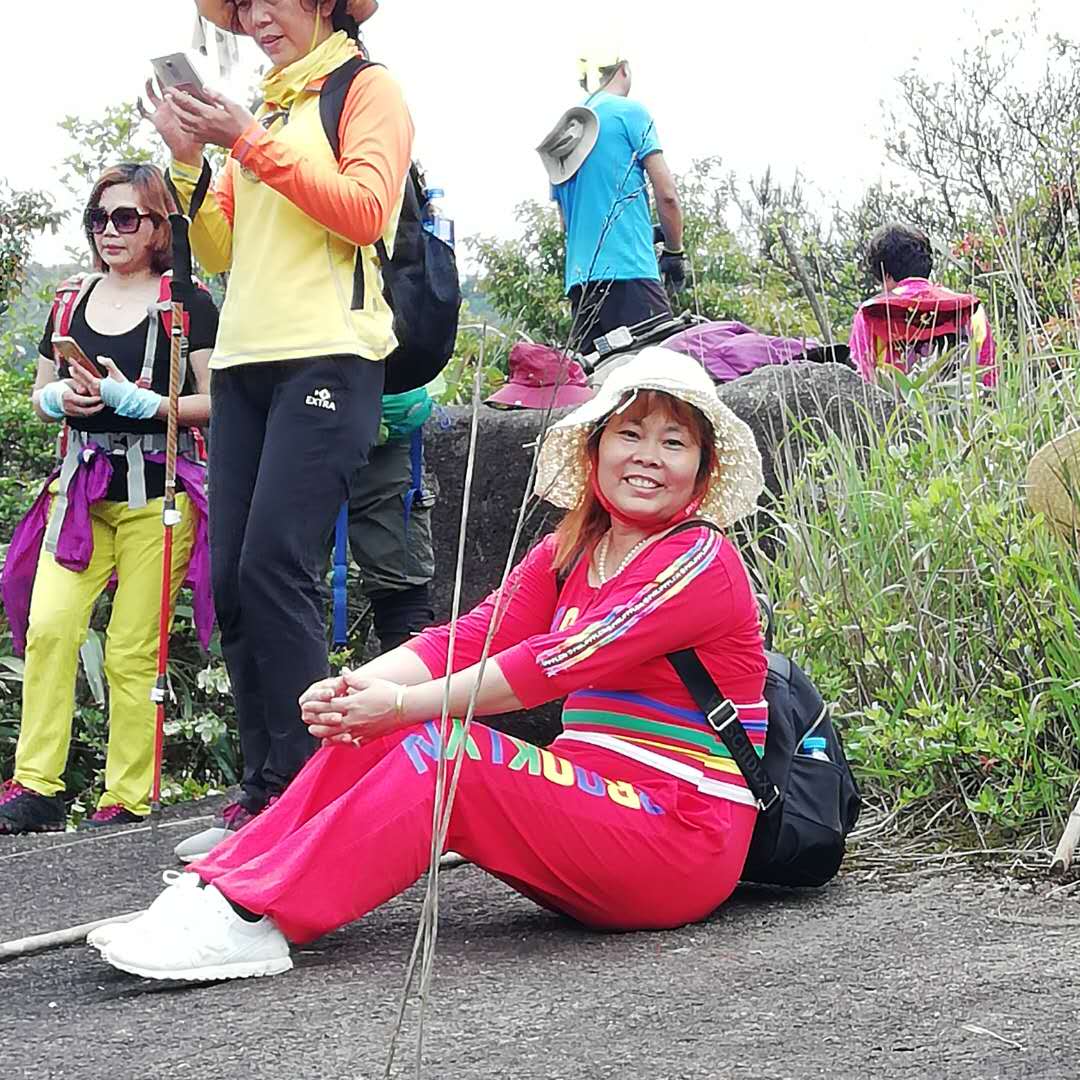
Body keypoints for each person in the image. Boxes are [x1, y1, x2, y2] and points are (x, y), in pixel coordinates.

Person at [91, 346, 770, 983]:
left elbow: (554, 662)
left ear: (702, 470)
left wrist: (402, 706)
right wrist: (360, 687)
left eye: (674, 442)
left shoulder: (698, 561)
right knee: (375, 733)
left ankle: (252, 915)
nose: (648, 456)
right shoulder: (572, 550)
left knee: (444, 751)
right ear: (594, 448)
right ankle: (219, 886)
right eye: (630, 434)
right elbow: (475, 636)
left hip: (678, 835)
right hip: (595, 805)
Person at [142, 0, 414, 860]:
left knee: (275, 565)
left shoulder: (364, 89)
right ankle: (263, 794)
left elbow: (365, 211)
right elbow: (222, 250)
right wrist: (192, 161)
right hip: (245, 363)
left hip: (330, 355)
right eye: (243, 5)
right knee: (232, 576)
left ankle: (307, 797)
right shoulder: (266, 106)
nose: (257, 17)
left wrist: (245, 141)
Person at [0, 163, 216, 834]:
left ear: (159, 226)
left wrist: (149, 403)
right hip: (80, 490)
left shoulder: (188, 302)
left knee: (131, 647)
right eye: (99, 218)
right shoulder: (71, 298)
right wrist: (58, 398)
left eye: (125, 218)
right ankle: (36, 785)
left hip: (158, 491)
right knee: (49, 628)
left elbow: (218, 402)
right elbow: (41, 390)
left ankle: (127, 793)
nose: (109, 231)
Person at [543, 50, 686, 355]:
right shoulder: (629, 113)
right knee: (659, 375)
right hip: (632, 276)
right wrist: (675, 251)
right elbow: (667, 195)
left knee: (598, 380)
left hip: (582, 287)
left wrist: (645, 231)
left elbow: (567, 223)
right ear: (624, 69)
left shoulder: (567, 131)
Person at [848, 223, 997, 387]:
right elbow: (989, 373)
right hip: (965, 400)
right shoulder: (970, 308)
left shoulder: (871, 313)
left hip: (895, 402)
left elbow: (862, 379)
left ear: (886, 274)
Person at [345, 386, 437, 654]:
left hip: (297, 409)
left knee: (287, 579)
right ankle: (409, 680)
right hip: (390, 406)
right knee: (401, 583)